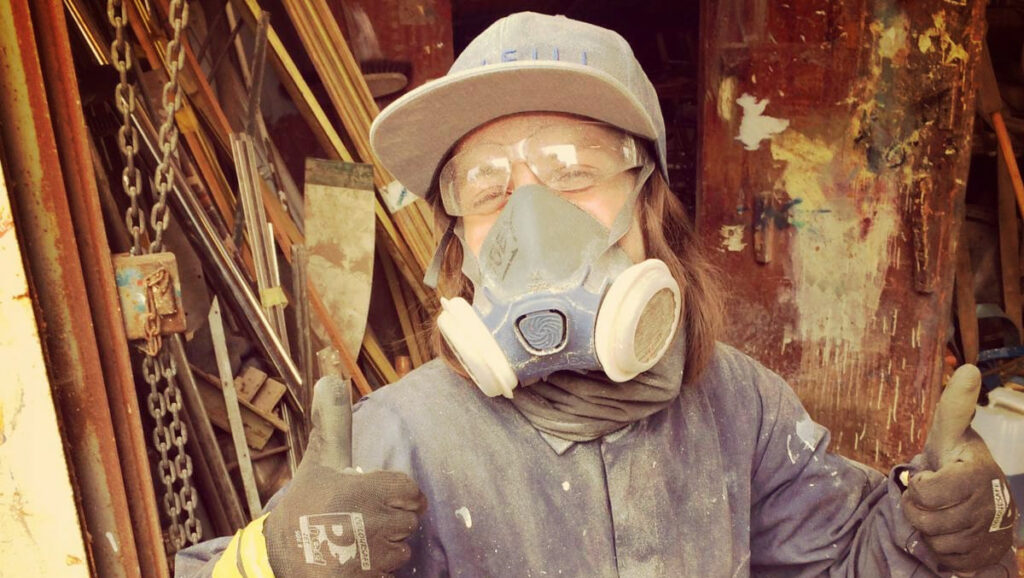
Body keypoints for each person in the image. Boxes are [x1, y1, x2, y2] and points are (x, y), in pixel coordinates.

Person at [178, 12, 1019, 577]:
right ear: (457, 243)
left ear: (650, 204)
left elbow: (842, 558)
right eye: (486, 187)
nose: (530, 218)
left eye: (573, 173)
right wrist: (277, 558)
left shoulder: (737, 403)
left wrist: (935, 527)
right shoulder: (400, 439)